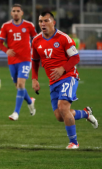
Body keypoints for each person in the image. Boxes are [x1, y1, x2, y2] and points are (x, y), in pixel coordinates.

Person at [31, 11, 98, 149]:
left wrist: (63, 68)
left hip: (69, 76)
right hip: (53, 81)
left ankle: (74, 142)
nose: (43, 24)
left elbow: (75, 58)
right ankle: (85, 113)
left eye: (46, 21)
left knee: (63, 107)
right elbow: (35, 60)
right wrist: (34, 79)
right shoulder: (36, 40)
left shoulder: (63, 38)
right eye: (40, 21)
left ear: (53, 22)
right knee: (60, 116)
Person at [0, 4, 37, 121]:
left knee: (20, 85)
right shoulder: (6, 26)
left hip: (25, 60)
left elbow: (36, 40)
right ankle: (30, 102)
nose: (16, 13)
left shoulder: (29, 25)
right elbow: (0, 44)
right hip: (12, 61)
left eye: (18, 11)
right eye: (14, 11)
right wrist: (6, 50)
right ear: (11, 13)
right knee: (18, 86)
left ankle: (16, 113)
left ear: (22, 13)